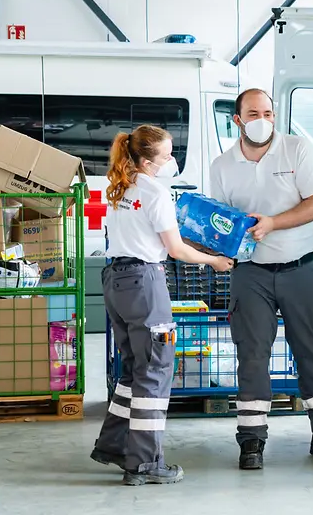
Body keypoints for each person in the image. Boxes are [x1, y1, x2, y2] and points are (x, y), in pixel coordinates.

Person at [209, 88, 313, 470]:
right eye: (253, 114)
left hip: (300, 268)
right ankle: (252, 440)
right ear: (238, 120)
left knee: (311, 352)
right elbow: (220, 222)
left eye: (268, 113)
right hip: (251, 274)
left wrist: (273, 223)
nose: (262, 120)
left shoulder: (297, 150)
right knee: (252, 355)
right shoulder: (222, 165)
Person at [89, 125, 233, 486]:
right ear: (148, 158)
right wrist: (213, 261)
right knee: (156, 369)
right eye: (167, 155)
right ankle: (144, 463)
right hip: (144, 282)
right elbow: (175, 250)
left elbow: (149, 231)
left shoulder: (121, 185)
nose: (172, 160)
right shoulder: (155, 191)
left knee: (134, 368)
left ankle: (114, 446)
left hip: (115, 280)